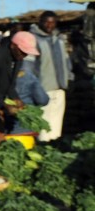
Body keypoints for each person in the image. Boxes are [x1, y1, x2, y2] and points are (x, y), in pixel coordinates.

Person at [28, 11, 71, 142]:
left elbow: (66, 61)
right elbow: (28, 66)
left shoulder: (59, 40)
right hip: (42, 89)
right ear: (40, 22)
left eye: (52, 22)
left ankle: (54, 147)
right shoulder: (33, 40)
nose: (49, 25)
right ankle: (42, 148)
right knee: (43, 125)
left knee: (56, 124)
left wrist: (69, 78)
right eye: (46, 22)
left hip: (59, 88)